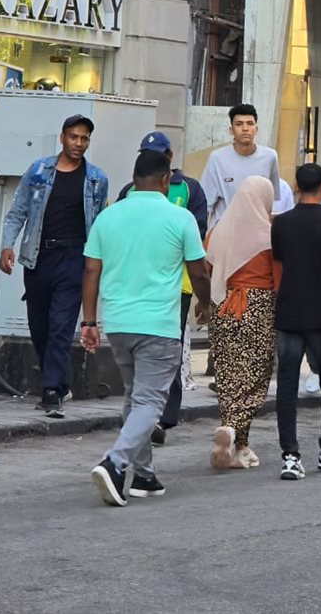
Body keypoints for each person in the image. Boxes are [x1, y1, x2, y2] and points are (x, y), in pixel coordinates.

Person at [84, 150, 211, 507]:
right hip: (158, 325)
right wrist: (205, 304)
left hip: (118, 323)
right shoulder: (180, 217)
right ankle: (114, 462)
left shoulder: (108, 216)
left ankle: (144, 475)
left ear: (134, 179)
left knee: (135, 397)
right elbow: (199, 271)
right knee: (151, 402)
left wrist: (89, 321)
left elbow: (91, 270)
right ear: (166, 179)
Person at [0, 115, 109, 416]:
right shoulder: (39, 171)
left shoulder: (97, 179)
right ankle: (59, 382)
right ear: (62, 138)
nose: (78, 143)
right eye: (74, 137)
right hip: (38, 256)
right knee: (40, 326)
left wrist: (99, 261)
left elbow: (100, 223)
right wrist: (7, 246)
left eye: (84, 138)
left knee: (61, 325)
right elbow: (18, 211)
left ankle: (51, 391)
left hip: (74, 257)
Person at [116, 131, 207, 443]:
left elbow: (197, 234)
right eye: (145, 153)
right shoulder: (129, 191)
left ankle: (163, 416)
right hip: (136, 282)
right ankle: (142, 413)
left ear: (169, 156)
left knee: (169, 349)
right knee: (141, 351)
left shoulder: (189, 188)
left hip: (176, 285)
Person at [272, 163, 321, 480]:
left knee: (287, 386)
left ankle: (290, 456)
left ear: (296, 187)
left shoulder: (281, 224)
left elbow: (279, 268)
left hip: (289, 313)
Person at [203, 175, 280, 470]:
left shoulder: (217, 231)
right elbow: (278, 279)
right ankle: (232, 427)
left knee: (228, 376)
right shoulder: (269, 235)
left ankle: (239, 446)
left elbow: (206, 268)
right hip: (257, 306)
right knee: (255, 375)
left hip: (222, 304)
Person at [200, 103, 280, 228]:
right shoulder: (217, 158)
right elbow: (205, 202)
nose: (245, 128)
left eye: (250, 123)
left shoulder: (270, 157)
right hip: (225, 229)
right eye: (239, 124)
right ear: (231, 130)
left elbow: (272, 198)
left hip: (257, 230)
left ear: (256, 129)